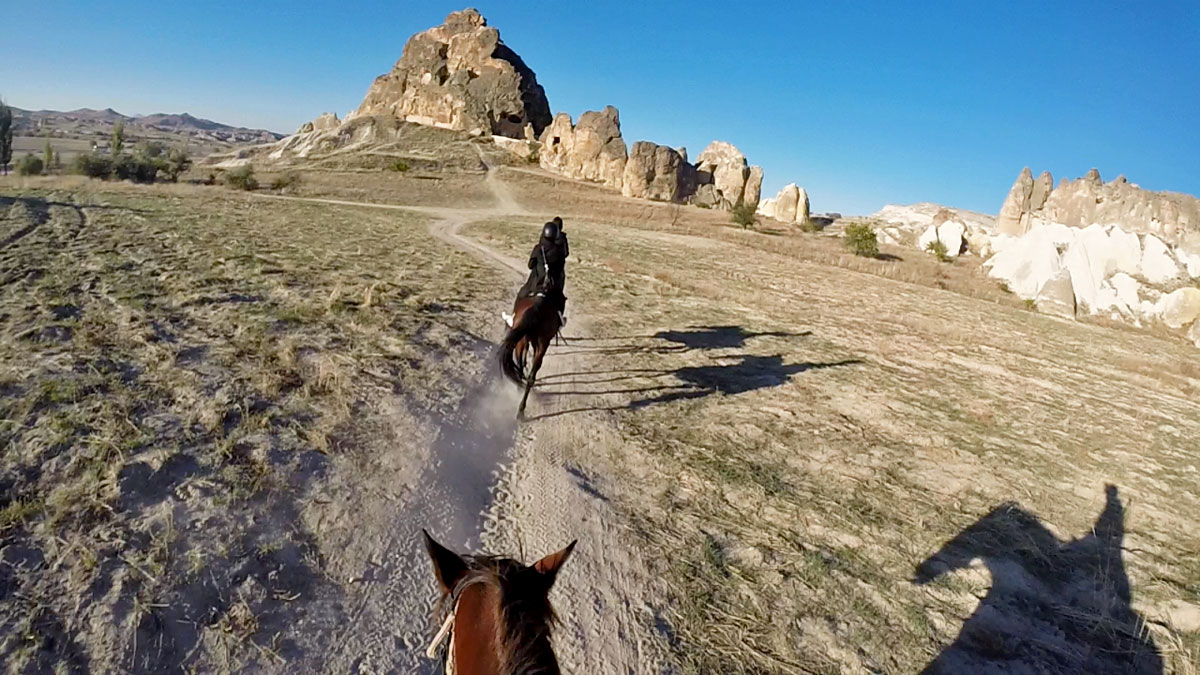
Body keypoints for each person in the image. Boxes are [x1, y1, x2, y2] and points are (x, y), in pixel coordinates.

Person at [504, 217, 569, 327]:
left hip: (537, 281)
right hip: (551, 283)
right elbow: (564, 258)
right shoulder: (559, 248)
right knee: (560, 299)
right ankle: (559, 320)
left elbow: (530, 265)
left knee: (522, 294)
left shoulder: (539, 247)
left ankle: (513, 316)